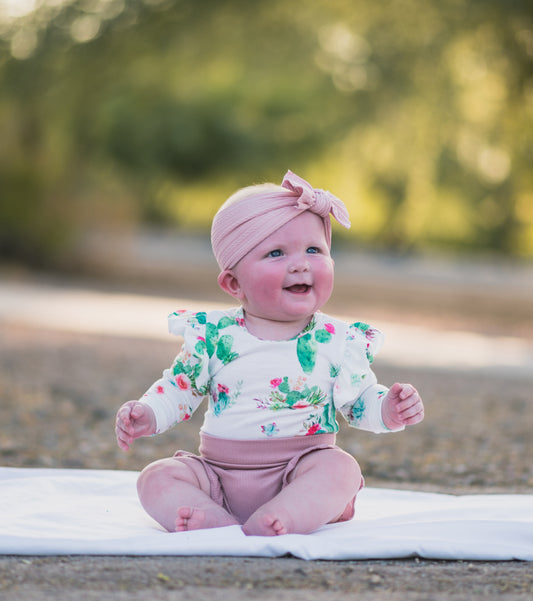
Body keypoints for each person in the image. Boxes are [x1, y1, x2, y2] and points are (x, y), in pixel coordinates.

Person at [115, 170, 424, 537]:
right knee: (156, 478)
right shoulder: (213, 335)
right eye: (276, 253)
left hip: (300, 470)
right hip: (219, 476)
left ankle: (288, 515)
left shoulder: (337, 340)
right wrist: (148, 412)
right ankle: (213, 517)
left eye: (314, 250)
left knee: (341, 470)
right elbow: (181, 388)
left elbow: (358, 400)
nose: (300, 263)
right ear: (234, 283)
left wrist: (388, 408)